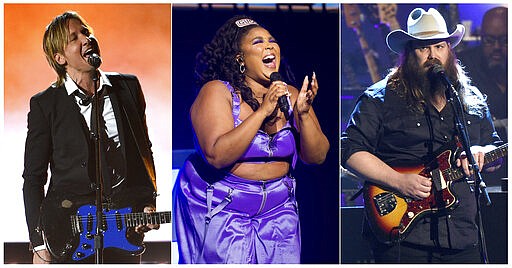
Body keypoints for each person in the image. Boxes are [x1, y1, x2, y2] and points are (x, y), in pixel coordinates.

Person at [341, 7, 504, 263]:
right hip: (405, 239)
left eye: (439, 46)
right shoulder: (380, 98)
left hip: (463, 236)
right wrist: (398, 181)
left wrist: (480, 152)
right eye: (423, 48)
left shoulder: (471, 99)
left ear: (449, 50)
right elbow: (349, 150)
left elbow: (495, 152)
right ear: (408, 53)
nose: (432, 56)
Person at [172, 15, 329, 264]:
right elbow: (216, 155)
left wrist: (304, 113)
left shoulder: (291, 95)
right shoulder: (217, 92)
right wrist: (262, 112)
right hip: (223, 211)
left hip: (279, 212)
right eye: (258, 42)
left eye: (272, 41)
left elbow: (317, 156)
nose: (269, 46)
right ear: (240, 59)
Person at [23, 11, 159, 264]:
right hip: (68, 231)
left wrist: (146, 202)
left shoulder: (127, 87)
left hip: (122, 231)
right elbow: (33, 178)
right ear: (60, 57)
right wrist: (39, 243)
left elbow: (144, 152)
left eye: (86, 32)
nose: (86, 39)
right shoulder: (46, 104)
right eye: (74, 37)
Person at [457, 6, 508, 185]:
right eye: (489, 40)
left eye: (504, 41)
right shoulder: (462, 67)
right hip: (479, 174)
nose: (496, 48)